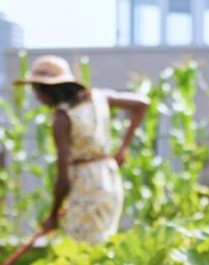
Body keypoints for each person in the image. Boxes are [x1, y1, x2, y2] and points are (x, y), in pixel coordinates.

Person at [15, 55, 148, 244]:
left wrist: (53, 215)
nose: (37, 98)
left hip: (86, 186)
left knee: (80, 252)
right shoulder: (99, 98)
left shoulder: (63, 118)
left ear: (48, 89)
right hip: (108, 177)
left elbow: (64, 178)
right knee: (102, 246)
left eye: (36, 91)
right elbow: (142, 103)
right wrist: (122, 149)